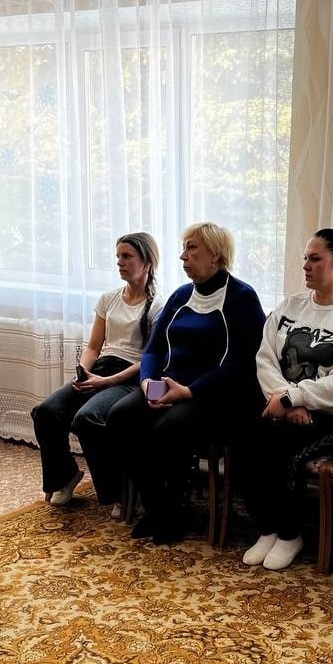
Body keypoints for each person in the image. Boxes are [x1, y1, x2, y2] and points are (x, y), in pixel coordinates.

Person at [104, 221, 265, 545]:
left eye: (192, 249)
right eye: (184, 248)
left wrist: (189, 391)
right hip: (168, 385)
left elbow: (244, 362)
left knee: (168, 429)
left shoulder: (242, 297)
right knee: (120, 418)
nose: (182, 256)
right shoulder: (180, 296)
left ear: (215, 256)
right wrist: (148, 383)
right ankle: (158, 507)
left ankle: (175, 509)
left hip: (213, 394)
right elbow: (154, 349)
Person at [237, 229, 333, 570]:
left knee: (281, 447)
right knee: (243, 435)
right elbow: (265, 358)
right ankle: (268, 527)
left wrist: (293, 398)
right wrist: (286, 399)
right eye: (305, 258)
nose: (306, 265)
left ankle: (290, 533)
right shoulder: (291, 305)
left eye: (315, 259)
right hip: (282, 403)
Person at [30, 233, 163, 515]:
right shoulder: (108, 299)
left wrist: (107, 381)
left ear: (147, 263)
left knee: (87, 418)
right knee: (46, 411)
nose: (120, 263)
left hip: (130, 377)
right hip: (101, 369)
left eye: (127, 257)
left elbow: (151, 358)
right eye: (118, 257)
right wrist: (84, 372)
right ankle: (65, 476)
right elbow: (93, 346)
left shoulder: (158, 305)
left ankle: (117, 493)